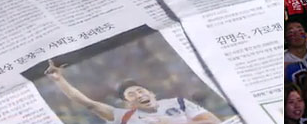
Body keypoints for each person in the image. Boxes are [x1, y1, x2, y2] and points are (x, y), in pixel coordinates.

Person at [44, 60, 220, 123]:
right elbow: (87, 103)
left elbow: (213, 122)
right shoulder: (123, 116)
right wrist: (60, 80)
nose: (138, 94)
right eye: (131, 94)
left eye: (140, 90)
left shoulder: (178, 103)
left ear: (151, 93)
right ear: (128, 103)